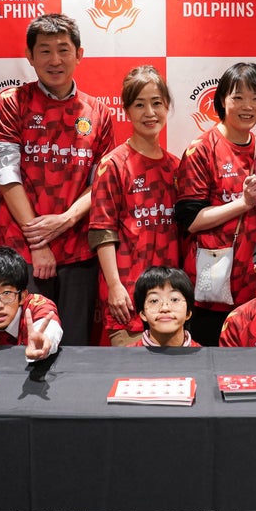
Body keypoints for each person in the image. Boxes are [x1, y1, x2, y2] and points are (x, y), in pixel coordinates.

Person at [0, 13, 115, 346]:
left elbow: (100, 184)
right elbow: (5, 174)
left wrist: (67, 218)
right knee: (28, 344)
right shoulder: (11, 102)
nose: (54, 60)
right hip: (23, 252)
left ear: (79, 54)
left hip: (78, 252)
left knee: (75, 347)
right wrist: (39, 243)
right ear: (29, 56)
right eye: (44, 50)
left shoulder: (98, 112)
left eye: (63, 50)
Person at [175, 62, 256, 346]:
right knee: (210, 360)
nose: (248, 106)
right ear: (222, 100)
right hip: (212, 286)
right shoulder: (202, 149)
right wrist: (243, 203)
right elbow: (191, 221)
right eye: (238, 97)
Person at [89, 66, 182, 346]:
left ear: (167, 106)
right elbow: (102, 231)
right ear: (127, 111)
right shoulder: (113, 164)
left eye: (157, 103)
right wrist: (114, 286)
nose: (150, 112)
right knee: (132, 371)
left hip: (170, 300)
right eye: (139, 105)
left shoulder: (177, 167)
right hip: (127, 299)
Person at [130, 266, 199, 348]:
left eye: (174, 299)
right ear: (143, 314)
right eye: (154, 301)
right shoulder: (126, 355)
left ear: (188, 313)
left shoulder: (205, 355)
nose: (165, 308)